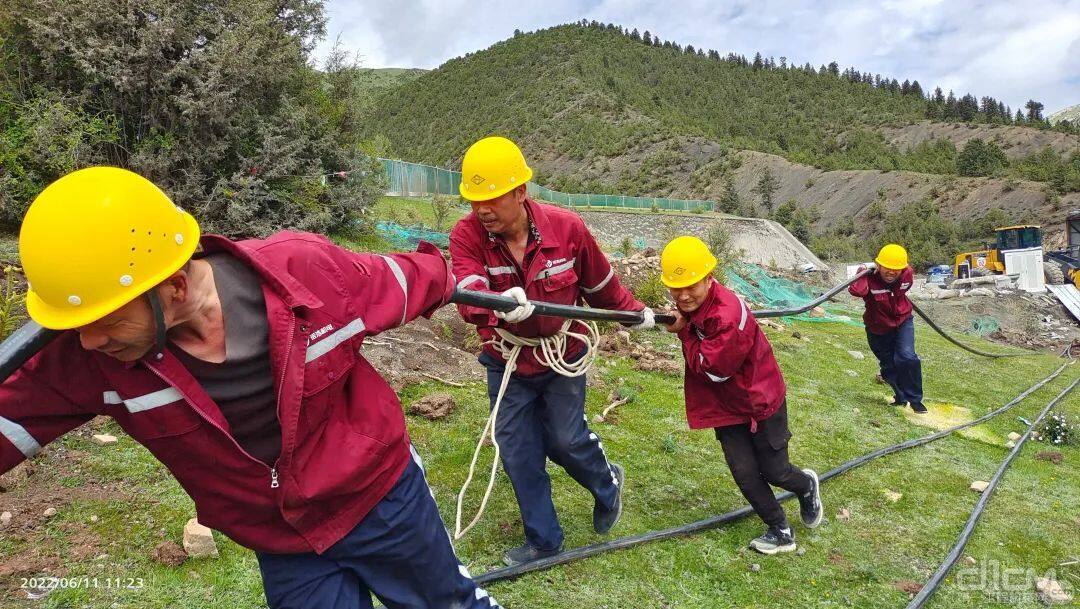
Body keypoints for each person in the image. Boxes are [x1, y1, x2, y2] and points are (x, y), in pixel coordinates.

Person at [0, 167, 500, 609]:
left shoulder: (306, 274)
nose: (88, 340)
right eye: (78, 325)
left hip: (381, 500)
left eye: (106, 319)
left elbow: (408, 278)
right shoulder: (88, 359)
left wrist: (479, 290)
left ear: (175, 286)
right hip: (282, 539)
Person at [450, 136, 653, 565]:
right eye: (474, 200)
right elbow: (468, 290)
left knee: (564, 438)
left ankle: (607, 483)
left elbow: (601, 287)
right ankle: (544, 541)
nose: (481, 209)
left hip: (564, 353)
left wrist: (637, 314)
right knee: (518, 449)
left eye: (492, 198)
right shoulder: (467, 235)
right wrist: (502, 306)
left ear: (520, 192)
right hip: (506, 358)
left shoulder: (568, 229)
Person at [661, 236, 821, 555]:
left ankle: (806, 486)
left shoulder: (727, 316)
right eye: (676, 288)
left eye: (691, 285)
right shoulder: (696, 306)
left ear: (709, 278)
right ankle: (780, 529)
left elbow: (712, 370)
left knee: (775, 471)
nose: (683, 294)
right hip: (728, 407)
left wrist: (683, 332)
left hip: (760, 403)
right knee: (745, 474)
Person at [849, 244, 926, 414]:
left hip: (902, 322)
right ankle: (900, 398)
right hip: (877, 328)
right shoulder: (869, 276)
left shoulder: (907, 274)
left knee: (907, 357)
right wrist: (862, 271)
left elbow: (904, 283)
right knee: (888, 366)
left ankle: (915, 400)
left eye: (896, 269)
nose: (891, 272)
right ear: (879, 265)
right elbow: (856, 291)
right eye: (887, 268)